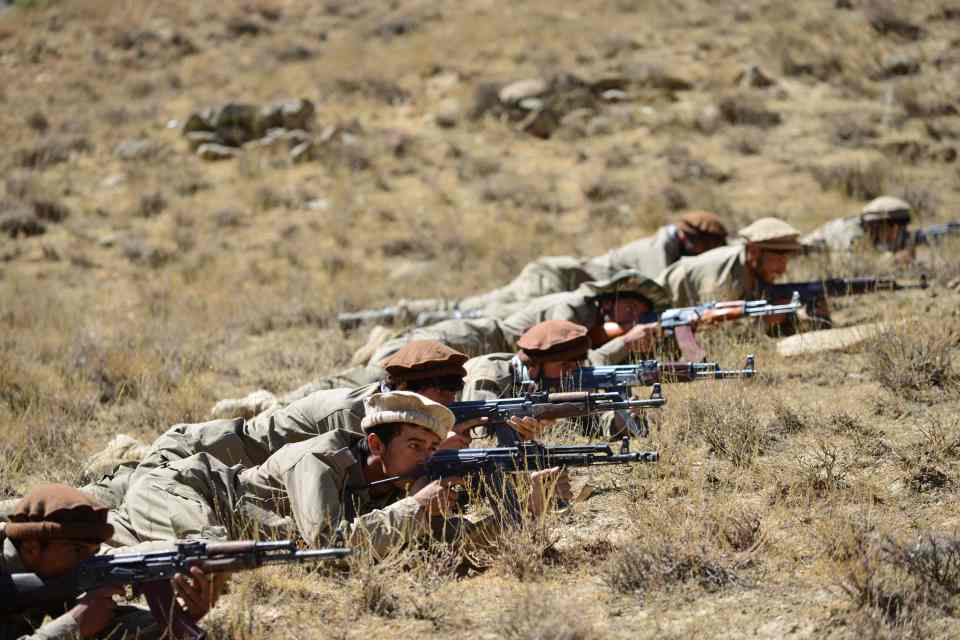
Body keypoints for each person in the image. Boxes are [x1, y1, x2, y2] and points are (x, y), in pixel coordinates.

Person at [110, 393, 571, 557]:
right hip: (182, 488)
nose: (425, 458)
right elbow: (328, 545)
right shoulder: (316, 460)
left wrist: (522, 514)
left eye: (430, 449)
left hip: (211, 509)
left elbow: (443, 541)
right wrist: (415, 506)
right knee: (213, 553)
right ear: (375, 443)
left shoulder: (390, 481)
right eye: (414, 446)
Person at [346, 211, 728, 320]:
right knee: (487, 313)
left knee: (473, 305)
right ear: (690, 241)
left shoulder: (664, 247)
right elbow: (657, 293)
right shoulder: (656, 254)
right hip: (554, 281)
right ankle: (397, 318)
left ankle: (388, 314)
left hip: (555, 275)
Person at [1, 484, 223, 640]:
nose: (88, 561)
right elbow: (80, 623)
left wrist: (182, 617)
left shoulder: (60, 575)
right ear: (31, 547)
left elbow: (115, 628)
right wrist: (73, 626)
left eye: (93, 551)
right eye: (76, 550)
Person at [358, 270, 671, 369]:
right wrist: (624, 342)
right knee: (391, 371)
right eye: (629, 308)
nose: (632, 317)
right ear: (610, 298)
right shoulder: (574, 308)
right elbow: (567, 360)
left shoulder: (587, 314)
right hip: (479, 340)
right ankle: (381, 343)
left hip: (486, 346)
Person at [656, 217, 804, 308]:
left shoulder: (753, 270)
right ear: (753, 252)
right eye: (778, 260)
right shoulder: (721, 279)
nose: (783, 269)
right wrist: (765, 321)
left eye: (786, 260)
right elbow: (715, 333)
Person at [801, 195, 912, 253]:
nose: (896, 233)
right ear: (877, 224)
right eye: (892, 227)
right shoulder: (852, 232)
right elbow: (853, 262)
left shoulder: (872, 234)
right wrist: (891, 259)